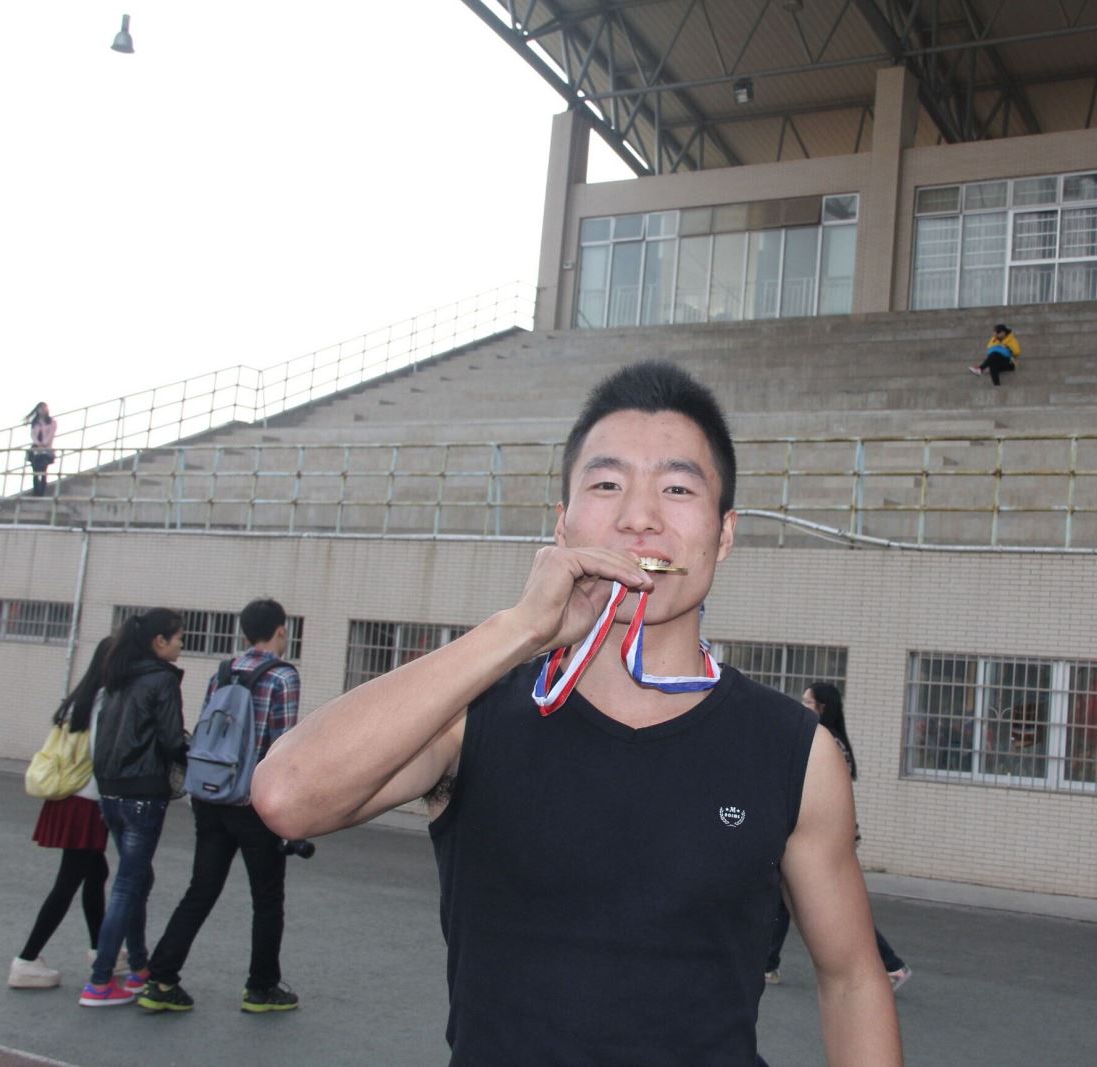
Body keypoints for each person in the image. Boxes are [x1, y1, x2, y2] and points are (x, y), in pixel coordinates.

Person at [254, 361, 903, 1066]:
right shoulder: (472, 718)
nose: (639, 517)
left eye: (678, 488)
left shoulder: (794, 749)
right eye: (607, 484)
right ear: (561, 527)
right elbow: (287, 796)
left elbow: (851, 980)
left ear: (724, 533)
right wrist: (519, 629)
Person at [138, 599, 302, 1015]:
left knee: (201, 889)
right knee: (267, 898)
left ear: (245, 633)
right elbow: (282, 747)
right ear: (280, 631)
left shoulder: (223, 672)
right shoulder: (283, 676)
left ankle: (161, 979)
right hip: (253, 803)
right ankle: (261, 987)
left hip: (211, 795)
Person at [765, 683, 910, 992]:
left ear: (823, 708)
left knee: (834, 904)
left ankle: (891, 963)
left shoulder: (826, 744)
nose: (802, 706)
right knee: (786, 899)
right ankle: (768, 964)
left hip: (822, 836)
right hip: (812, 832)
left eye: (808, 702)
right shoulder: (824, 739)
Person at [80, 608, 188, 1008]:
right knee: (129, 884)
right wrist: (188, 755)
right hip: (144, 792)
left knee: (137, 878)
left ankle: (139, 966)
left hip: (111, 791)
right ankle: (100, 980)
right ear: (159, 641)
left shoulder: (118, 675)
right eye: (178, 638)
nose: (181, 645)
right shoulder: (162, 679)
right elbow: (172, 739)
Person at [9, 637, 121, 989]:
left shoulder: (81, 697)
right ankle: (26, 960)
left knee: (95, 872)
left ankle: (101, 949)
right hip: (86, 802)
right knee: (69, 882)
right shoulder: (104, 700)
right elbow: (101, 754)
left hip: (69, 798)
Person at [27, 402, 57, 497]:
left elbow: (51, 434)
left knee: (43, 469)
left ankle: (42, 490)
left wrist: (43, 444)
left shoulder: (51, 421)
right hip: (36, 448)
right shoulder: (35, 422)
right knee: (35, 470)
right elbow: (33, 434)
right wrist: (37, 443)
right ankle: (36, 491)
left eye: (44, 408)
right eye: (41, 408)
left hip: (46, 448)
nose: (43, 410)